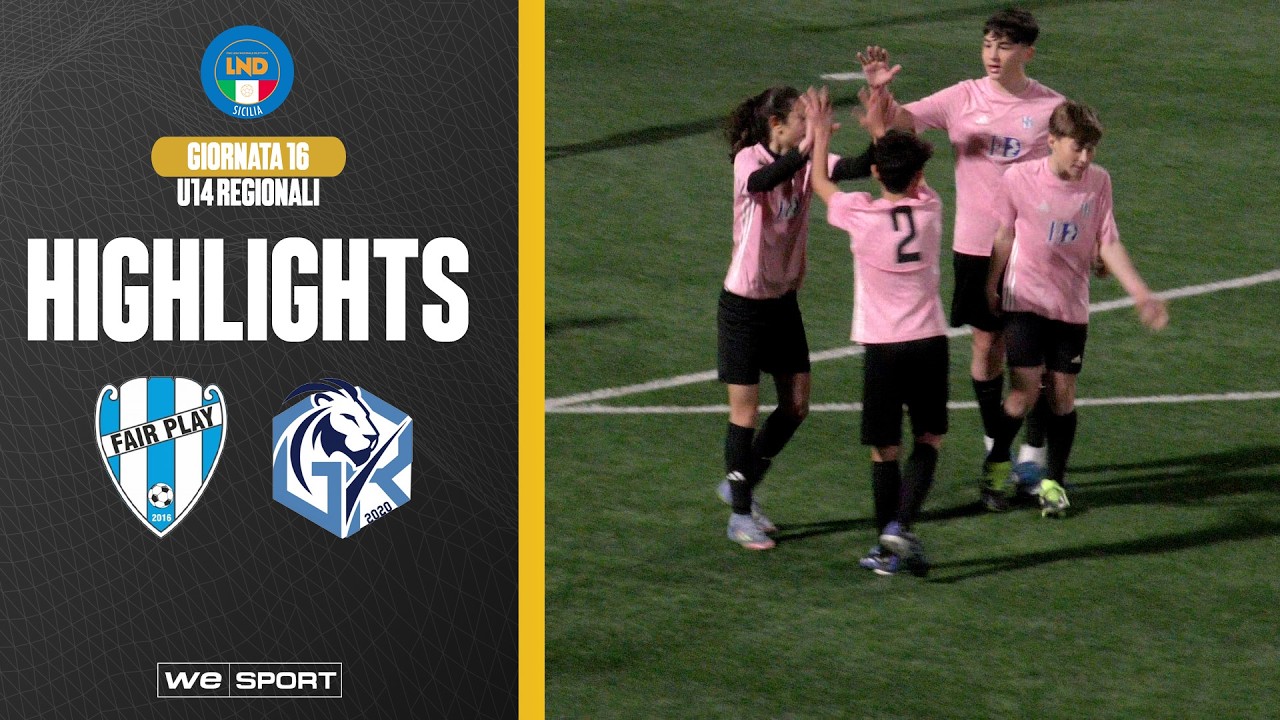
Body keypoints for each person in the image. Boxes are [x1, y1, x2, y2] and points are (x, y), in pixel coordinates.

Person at [858, 8, 1066, 510]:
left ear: (1028, 52)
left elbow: (1069, 172)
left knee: (1033, 358)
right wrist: (882, 91)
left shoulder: (1051, 107)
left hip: (1031, 248)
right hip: (975, 245)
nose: (993, 54)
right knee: (986, 347)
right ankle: (997, 446)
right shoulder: (962, 96)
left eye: (1005, 45)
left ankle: (1033, 456)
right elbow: (898, 125)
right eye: (988, 43)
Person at [983, 99, 1168, 517]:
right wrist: (991, 284)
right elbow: (1004, 235)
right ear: (1052, 141)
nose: (1085, 158)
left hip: (1070, 305)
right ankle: (996, 466)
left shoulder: (1099, 183)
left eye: (1091, 149)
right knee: (1024, 392)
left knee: (1063, 395)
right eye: (1077, 147)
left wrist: (1140, 292)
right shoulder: (1019, 179)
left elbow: (1108, 240)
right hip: (1025, 299)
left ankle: (1054, 482)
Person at [716, 86, 874, 550]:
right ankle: (740, 515)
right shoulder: (749, 158)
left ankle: (740, 481)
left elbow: (858, 167)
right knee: (745, 412)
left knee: (797, 406)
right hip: (743, 307)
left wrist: (880, 123)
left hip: (782, 303)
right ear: (777, 125)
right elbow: (763, 182)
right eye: (803, 119)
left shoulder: (804, 159)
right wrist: (810, 148)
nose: (810, 126)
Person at [808, 84, 945, 576]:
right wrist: (880, 127)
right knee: (928, 439)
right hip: (928, 342)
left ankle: (886, 548)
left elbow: (820, 182)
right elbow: (901, 171)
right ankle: (900, 526)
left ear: (874, 173)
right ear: (919, 176)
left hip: (882, 349)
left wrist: (821, 134)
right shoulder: (930, 210)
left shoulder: (860, 215)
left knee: (884, 449)